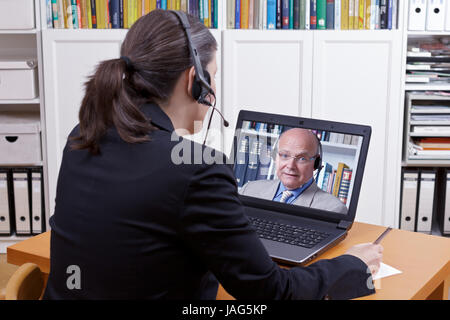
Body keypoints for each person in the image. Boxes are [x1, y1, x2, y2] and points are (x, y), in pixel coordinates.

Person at [43, 9, 382, 300]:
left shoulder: (84, 136)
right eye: (214, 76)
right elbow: (275, 292)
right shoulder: (197, 170)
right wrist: (352, 265)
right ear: (196, 80)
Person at [239, 128, 348, 214]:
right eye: (285, 155)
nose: (290, 166)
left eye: (302, 158)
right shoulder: (248, 190)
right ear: (275, 157)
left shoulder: (333, 209)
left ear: (316, 163)